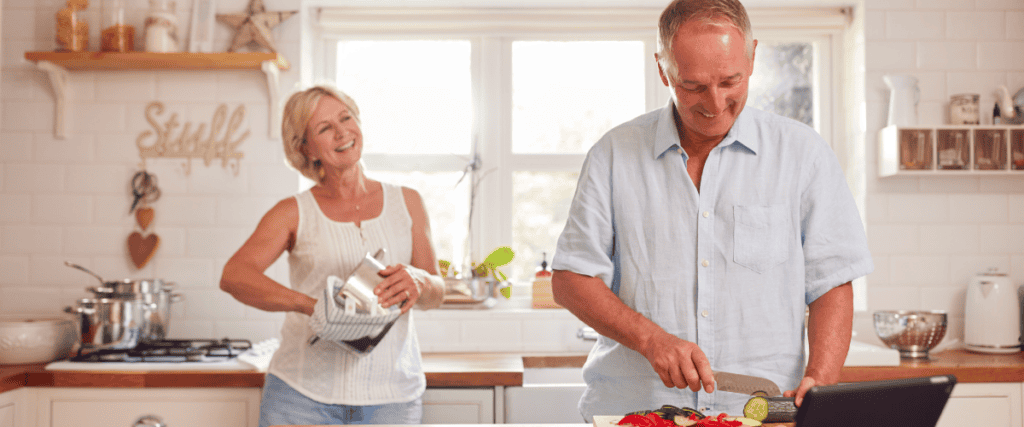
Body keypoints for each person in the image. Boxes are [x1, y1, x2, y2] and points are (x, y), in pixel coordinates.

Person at [550, 0, 873, 420]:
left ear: (753, 56)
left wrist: (821, 377)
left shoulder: (803, 155)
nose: (716, 103)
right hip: (635, 413)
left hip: (761, 414)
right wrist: (652, 340)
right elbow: (571, 279)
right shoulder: (614, 155)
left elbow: (831, 282)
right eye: (693, 86)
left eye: (730, 81)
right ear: (663, 69)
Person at [220, 85, 446, 427]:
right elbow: (235, 276)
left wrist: (420, 282)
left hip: (392, 400)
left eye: (346, 118)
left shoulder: (408, 202)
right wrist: (313, 307)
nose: (342, 132)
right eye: (325, 128)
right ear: (305, 148)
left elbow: (436, 293)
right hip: (301, 398)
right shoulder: (292, 212)